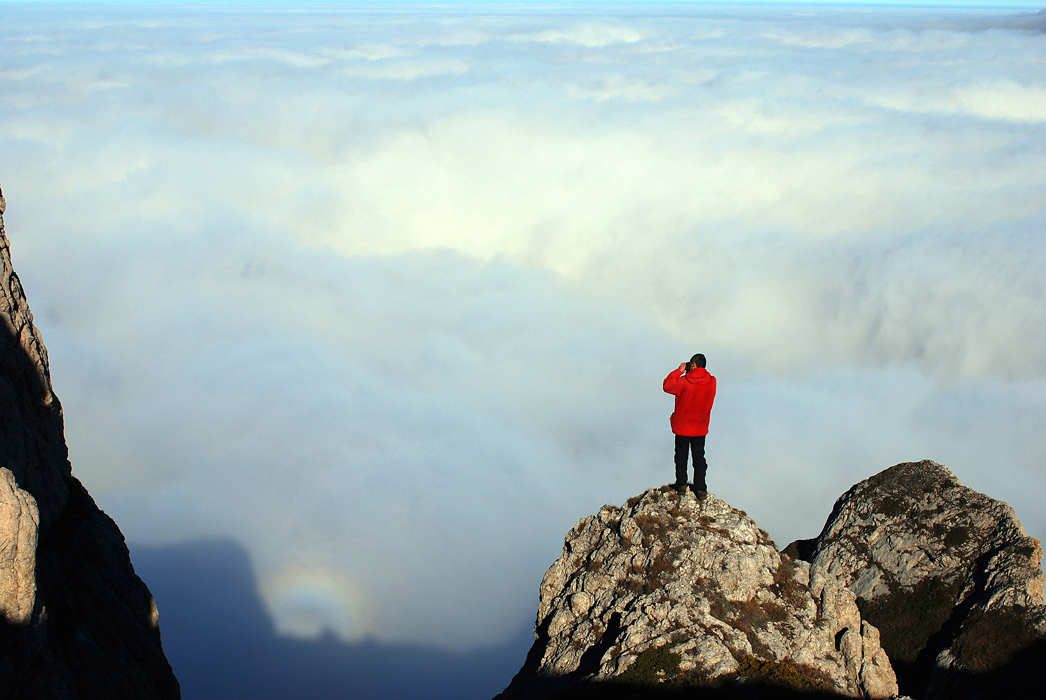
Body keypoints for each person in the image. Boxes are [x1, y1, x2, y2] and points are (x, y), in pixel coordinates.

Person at [663, 353, 716, 499]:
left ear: (693, 365)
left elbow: (667, 386)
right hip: (700, 426)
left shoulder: (684, 382)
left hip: (683, 426)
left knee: (681, 455)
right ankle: (700, 489)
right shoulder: (712, 381)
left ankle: (681, 485)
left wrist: (680, 370)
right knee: (699, 457)